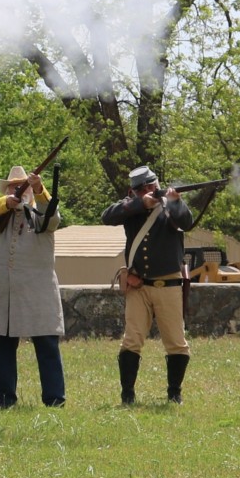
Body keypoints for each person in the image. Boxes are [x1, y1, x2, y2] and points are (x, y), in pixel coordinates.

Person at [101, 164, 195, 405]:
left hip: (169, 284)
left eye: (151, 186)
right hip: (138, 286)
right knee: (131, 341)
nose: (149, 191)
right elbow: (107, 216)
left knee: (176, 342)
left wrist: (175, 202)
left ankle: (174, 392)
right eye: (142, 189)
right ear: (134, 191)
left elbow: (187, 221)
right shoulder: (131, 207)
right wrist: (141, 204)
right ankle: (127, 395)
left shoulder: (170, 206)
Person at [0, 164, 65, 408]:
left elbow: (53, 216)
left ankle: (55, 398)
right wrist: (7, 202)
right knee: (1, 345)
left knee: (46, 346)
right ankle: (4, 397)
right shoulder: (2, 217)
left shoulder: (43, 214)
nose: (18, 189)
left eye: (22, 185)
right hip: (7, 290)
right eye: (14, 186)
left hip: (39, 290)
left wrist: (39, 188)